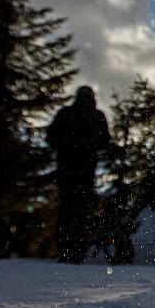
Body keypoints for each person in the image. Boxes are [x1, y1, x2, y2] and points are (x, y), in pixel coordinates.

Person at [47, 86, 111, 263]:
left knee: (67, 208)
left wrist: (65, 147)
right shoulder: (97, 116)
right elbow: (105, 140)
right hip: (86, 170)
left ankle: (65, 250)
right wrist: (90, 148)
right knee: (81, 209)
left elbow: (51, 137)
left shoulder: (65, 113)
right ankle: (77, 251)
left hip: (66, 169)